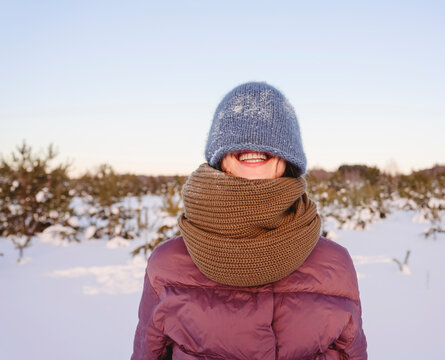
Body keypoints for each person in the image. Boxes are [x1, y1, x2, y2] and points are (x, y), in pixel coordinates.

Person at [131, 82, 367, 359]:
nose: (252, 145)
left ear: (289, 158)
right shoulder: (167, 265)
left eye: (271, 139)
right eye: (236, 137)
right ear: (219, 158)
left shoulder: (335, 264)